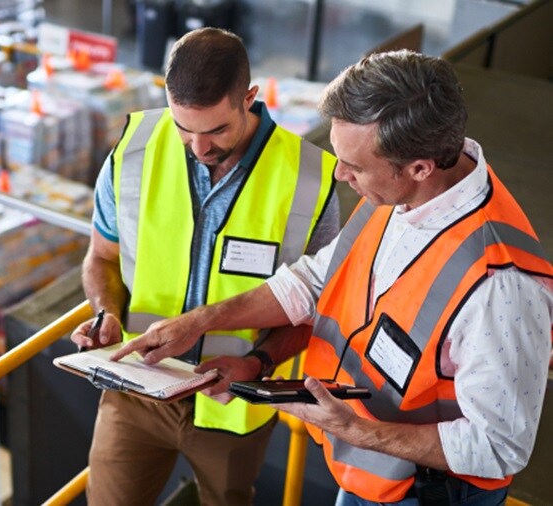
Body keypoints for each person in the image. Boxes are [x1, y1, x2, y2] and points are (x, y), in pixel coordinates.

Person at [112, 50, 553, 505]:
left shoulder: (503, 286)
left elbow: (500, 447)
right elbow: (314, 281)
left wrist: (355, 430)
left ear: (420, 167)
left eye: (354, 166)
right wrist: (202, 322)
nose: (341, 175)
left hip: (425, 493)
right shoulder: (401, 193)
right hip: (367, 476)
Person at [70, 27, 341, 505]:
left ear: (249, 99)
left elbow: (317, 309)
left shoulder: (310, 179)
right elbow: (103, 256)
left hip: (233, 408)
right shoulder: (133, 150)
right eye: (183, 128)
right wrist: (105, 311)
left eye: (217, 129)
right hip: (135, 386)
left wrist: (259, 362)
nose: (199, 148)